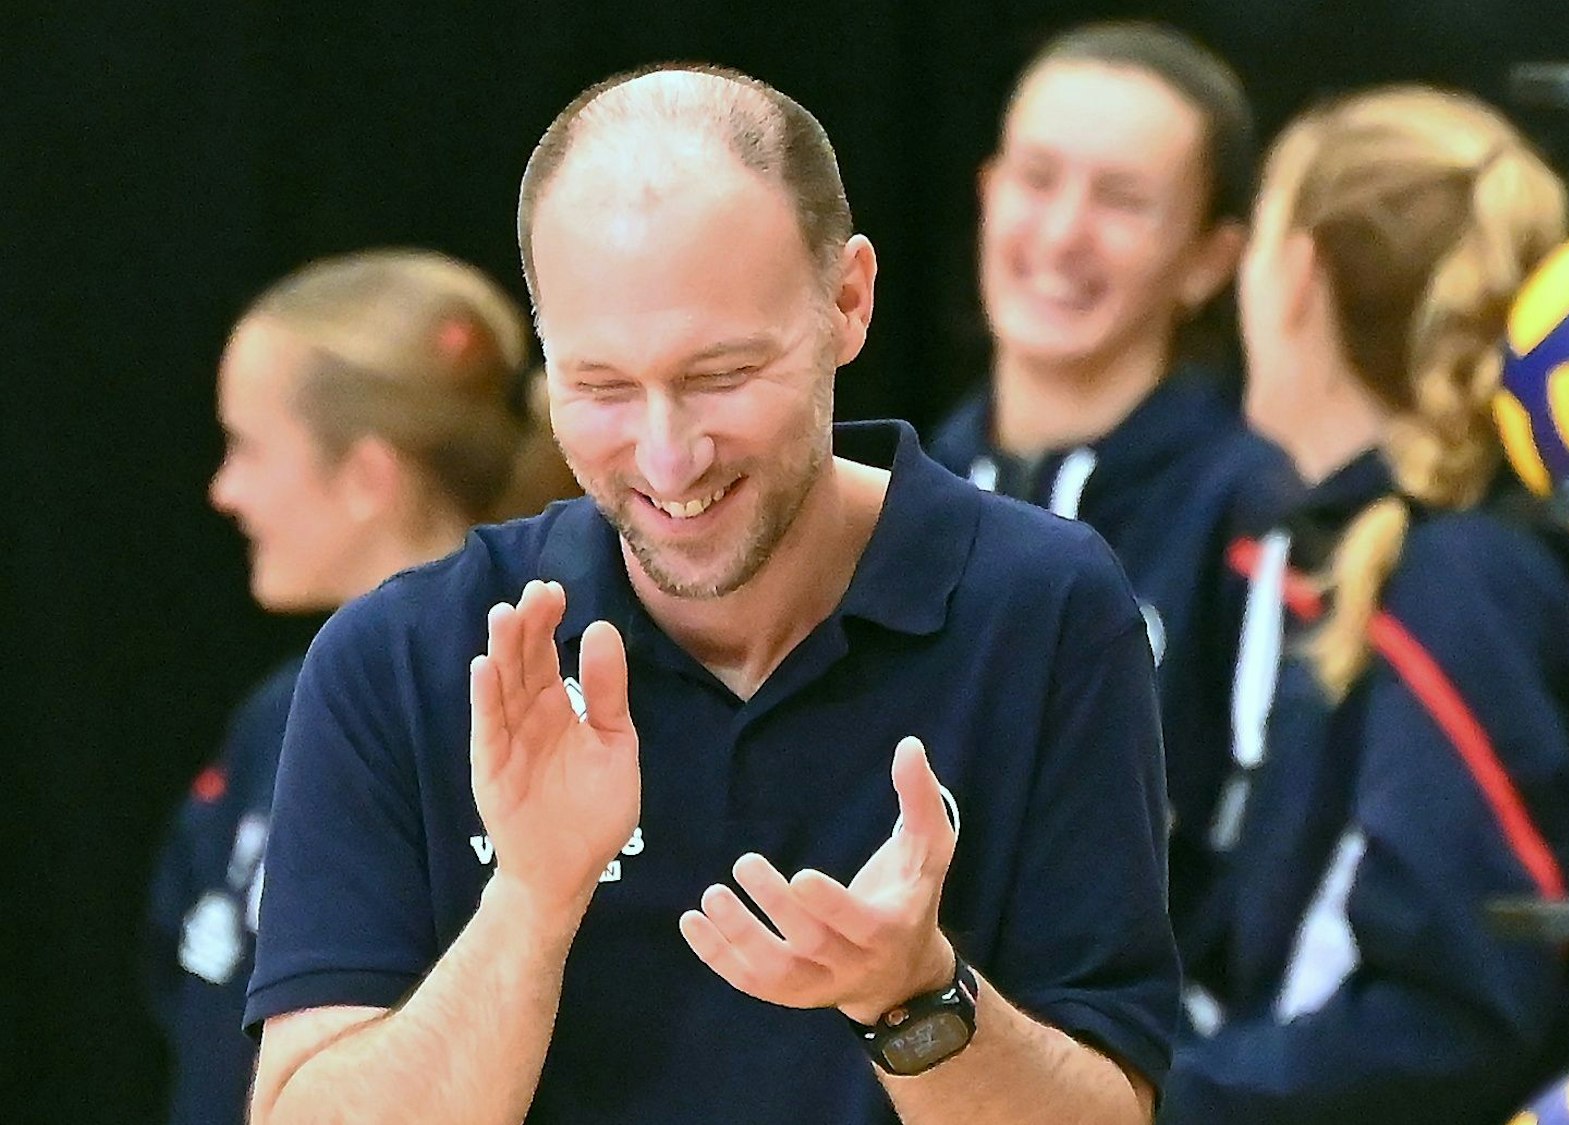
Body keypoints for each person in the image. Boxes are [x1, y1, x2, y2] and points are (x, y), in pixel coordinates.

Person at [242, 64, 1177, 1125]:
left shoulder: (1041, 609)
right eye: (597, 387)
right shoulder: (405, 654)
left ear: (847, 301)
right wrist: (531, 902)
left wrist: (912, 997)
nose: (667, 456)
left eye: (720, 375)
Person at [1159, 87, 1569, 1123]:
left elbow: (1449, 1016)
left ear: (1294, 277)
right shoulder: (1354, 548)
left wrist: (1149, 1100)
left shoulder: (1458, 581)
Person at [145, 248, 578, 1125]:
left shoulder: (535, 720)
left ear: (367, 477)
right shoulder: (280, 713)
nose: (223, 490)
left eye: (247, 447)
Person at [927, 22, 1295, 938]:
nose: (1061, 236)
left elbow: (1263, 877)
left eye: (1123, 201)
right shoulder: (904, 489)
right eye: (1038, 180)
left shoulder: (1257, 512)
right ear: (988, 192)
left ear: (1211, 260)